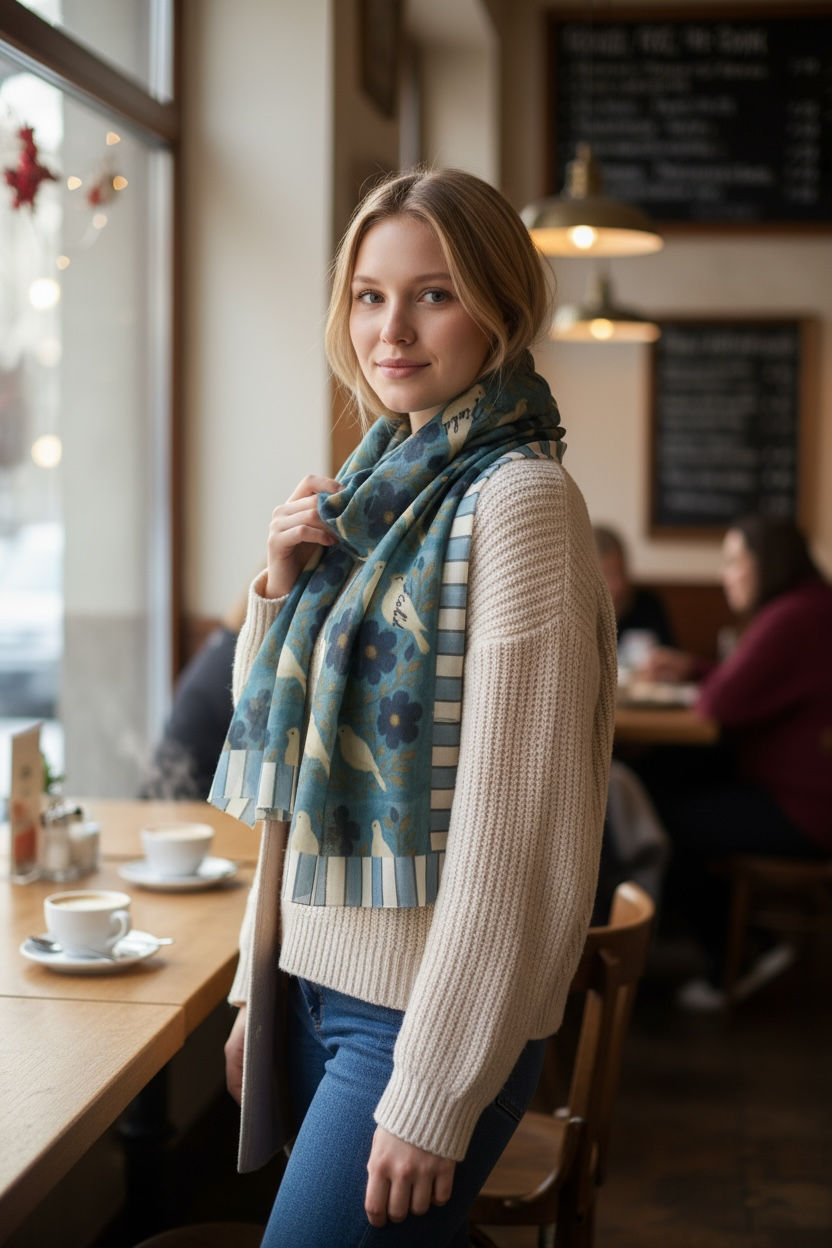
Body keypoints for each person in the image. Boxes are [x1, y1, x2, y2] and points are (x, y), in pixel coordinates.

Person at [208, 167, 617, 1246]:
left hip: (417, 1019)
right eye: (367, 294)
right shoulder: (370, 484)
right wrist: (280, 589)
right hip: (311, 984)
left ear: (500, 307)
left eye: (433, 293)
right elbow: (293, 757)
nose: (392, 328)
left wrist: (436, 1088)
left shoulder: (518, 499)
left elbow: (515, 836)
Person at [638, 515, 832, 1009]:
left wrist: (699, 674)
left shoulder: (792, 617)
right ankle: (746, 944)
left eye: (733, 562)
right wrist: (695, 666)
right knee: (666, 782)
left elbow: (719, 705)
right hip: (807, 795)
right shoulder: (810, 605)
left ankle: (735, 958)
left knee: (662, 813)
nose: (725, 575)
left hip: (805, 812)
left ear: (764, 564)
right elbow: (746, 685)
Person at [593, 525, 675, 669]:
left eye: (620, 571)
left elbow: (672, 658)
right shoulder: (579, 616)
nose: (618, 584)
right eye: (608, 575)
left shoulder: (648, 605)